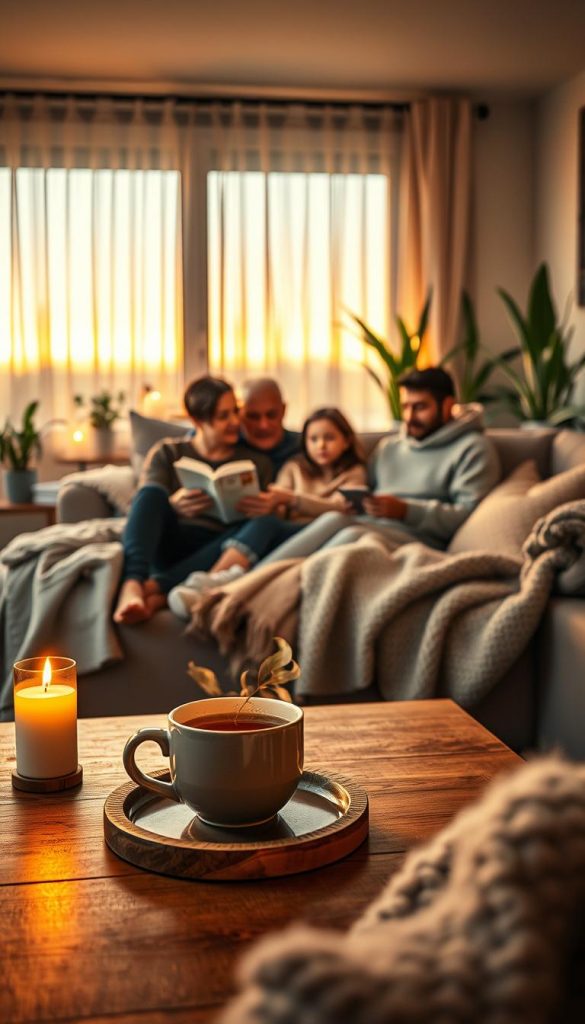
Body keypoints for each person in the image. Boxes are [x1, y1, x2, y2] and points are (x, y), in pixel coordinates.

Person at [254, 366, 501, 564]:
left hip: (421, 540)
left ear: (447, 406)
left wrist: (406, 510)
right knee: (335, 521)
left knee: (350, 533)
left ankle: (256, 583)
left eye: (421, 407)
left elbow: (469, 515)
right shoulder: (390, 447)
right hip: (372, 527)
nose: (410, 417)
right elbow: (363, 493)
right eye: (405, 407)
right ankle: (255, 579)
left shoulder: (473, 448)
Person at [167, 407, 368, 618]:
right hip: (287, 533)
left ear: (346, 441)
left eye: (329, 438)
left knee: (335, 518)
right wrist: (268, 502)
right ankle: (213, 581)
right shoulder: (294, 467)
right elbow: (277, 503)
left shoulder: (354, 472)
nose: (321, 445)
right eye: (313, 439)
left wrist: (291, 498)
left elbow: (342, 508)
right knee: (264, 522)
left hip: (320, 535)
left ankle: (214, 591)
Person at [113, 375, 272, 625]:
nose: (234, 422)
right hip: (172, 542)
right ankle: (132, 584)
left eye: (235, 412)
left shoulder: (257, 462)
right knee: (152, 494)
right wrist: (172, 505)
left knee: (264, 523)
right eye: (223, 416)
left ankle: (158, 592)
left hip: (219, 551)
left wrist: (263, 506)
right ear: (198, 420)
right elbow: (142, 509)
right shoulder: (168, 452)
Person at [238, 377, 301, 473]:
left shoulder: (304, 446)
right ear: (240, 415)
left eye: (271, 415)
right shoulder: (228, 449)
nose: (263, 425)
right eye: (253, 416)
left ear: (283, 410)